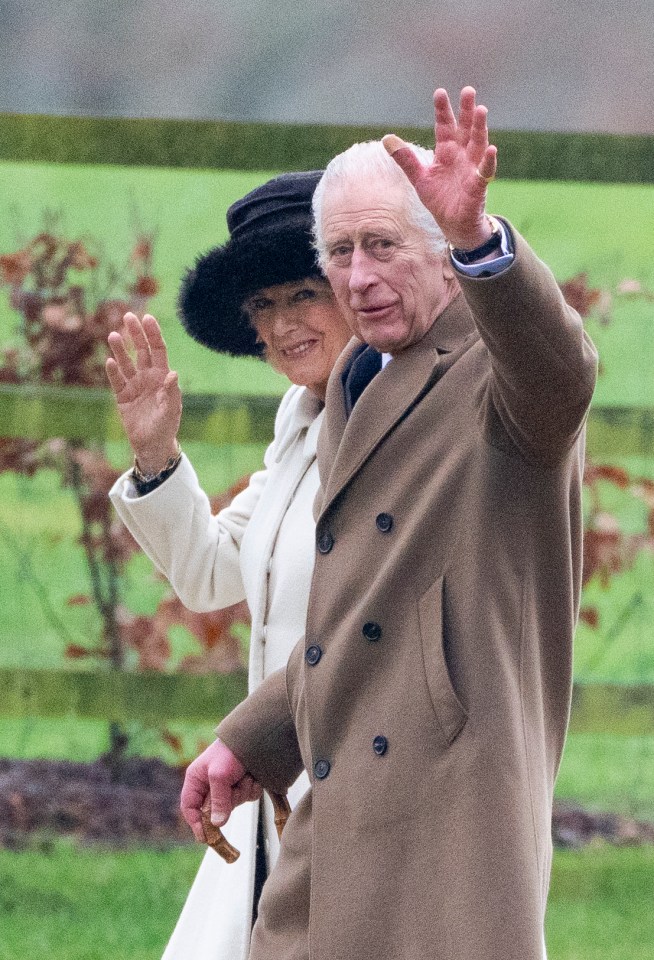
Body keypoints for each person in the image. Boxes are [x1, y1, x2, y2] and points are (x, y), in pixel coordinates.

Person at [180, 87, 598, 960]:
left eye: (382, 245)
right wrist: (253, 739)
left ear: (441, 255)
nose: (358, 276)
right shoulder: (358, 377)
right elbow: (364, 607)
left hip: (454, 807)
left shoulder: (499, 366)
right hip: (340, 800)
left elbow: (561, 372)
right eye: (339, 252)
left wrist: (484, 246)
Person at [105, 171, 352, 960]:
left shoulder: (400, 421)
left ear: (355, 291)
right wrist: (155, 454)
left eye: (302, 295)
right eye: (262, 306)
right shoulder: (299, 420)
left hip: (363, 785)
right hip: (272, 780)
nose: (281, 326)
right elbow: (211, 572)